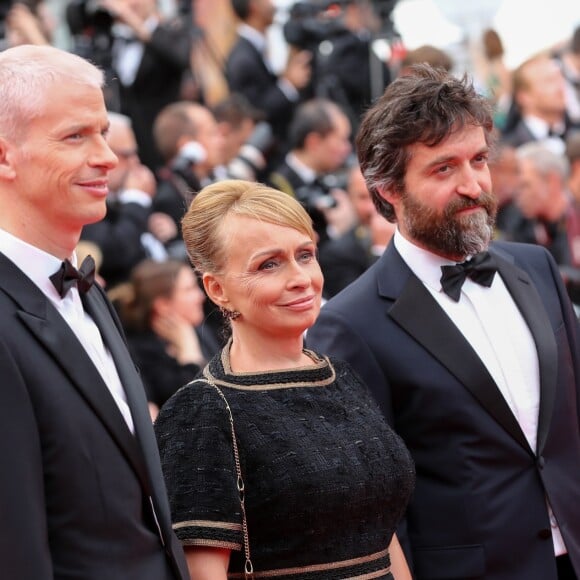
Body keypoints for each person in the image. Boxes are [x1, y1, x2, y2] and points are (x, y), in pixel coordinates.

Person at [307, 64, 580, 580]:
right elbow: (375, 506)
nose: (473, 184)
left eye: (478, 160)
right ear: (388, 189)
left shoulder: (537, 268)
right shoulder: (350, 326)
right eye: (443, 169)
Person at [154, 179, 415, 579]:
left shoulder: (340, 376)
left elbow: (382, 534)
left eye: (305, 255)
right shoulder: (204, 410)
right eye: (269, 264)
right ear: (217, 289)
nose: (300, 278)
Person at [0, 44, 188, 579]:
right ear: (3, 155)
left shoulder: (85, 290)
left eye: (103, 132)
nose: (107, 157)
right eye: (75, 136)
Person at [111, 258, 219, 419]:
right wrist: (189, 352)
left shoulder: (201, 331)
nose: (200, 296)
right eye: (189, 290)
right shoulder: (138, 354)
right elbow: (200, 406)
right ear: (163, 305)